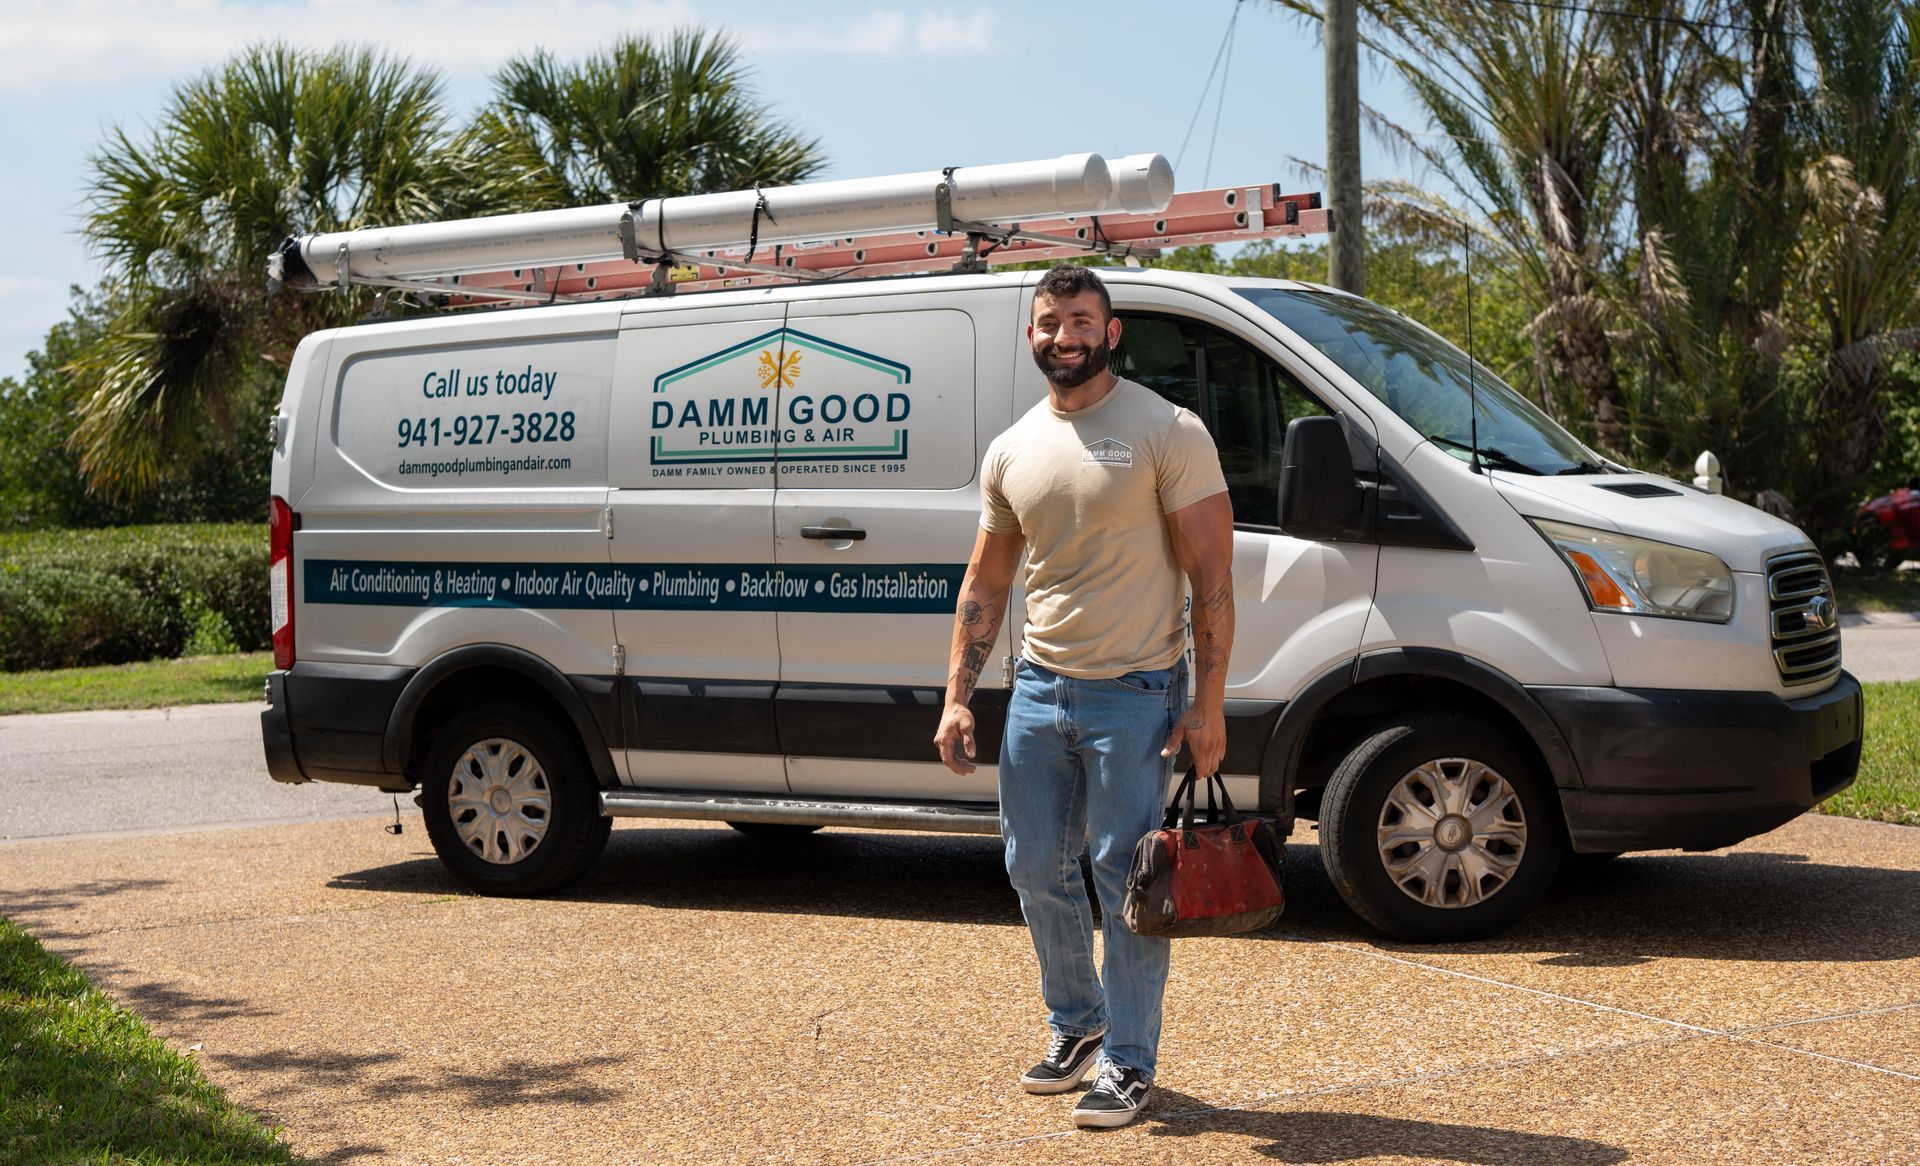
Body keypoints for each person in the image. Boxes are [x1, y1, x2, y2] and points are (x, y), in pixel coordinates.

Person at [934, 265, 1234, 1130]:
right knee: (1032, 866)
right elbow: (987, 581)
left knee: (1124, 875)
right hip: (1036, 689)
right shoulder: (1014, 447)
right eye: (1048, 321)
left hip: (1136, 693)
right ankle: (1079, 1025)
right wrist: (959, 696)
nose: (1063, 334)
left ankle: (1131, 1064)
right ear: (1031, 335)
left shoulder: (1166, 430)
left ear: (1111, 333)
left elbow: (1213, 577)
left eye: (1080, 320)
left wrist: (1206, 705)